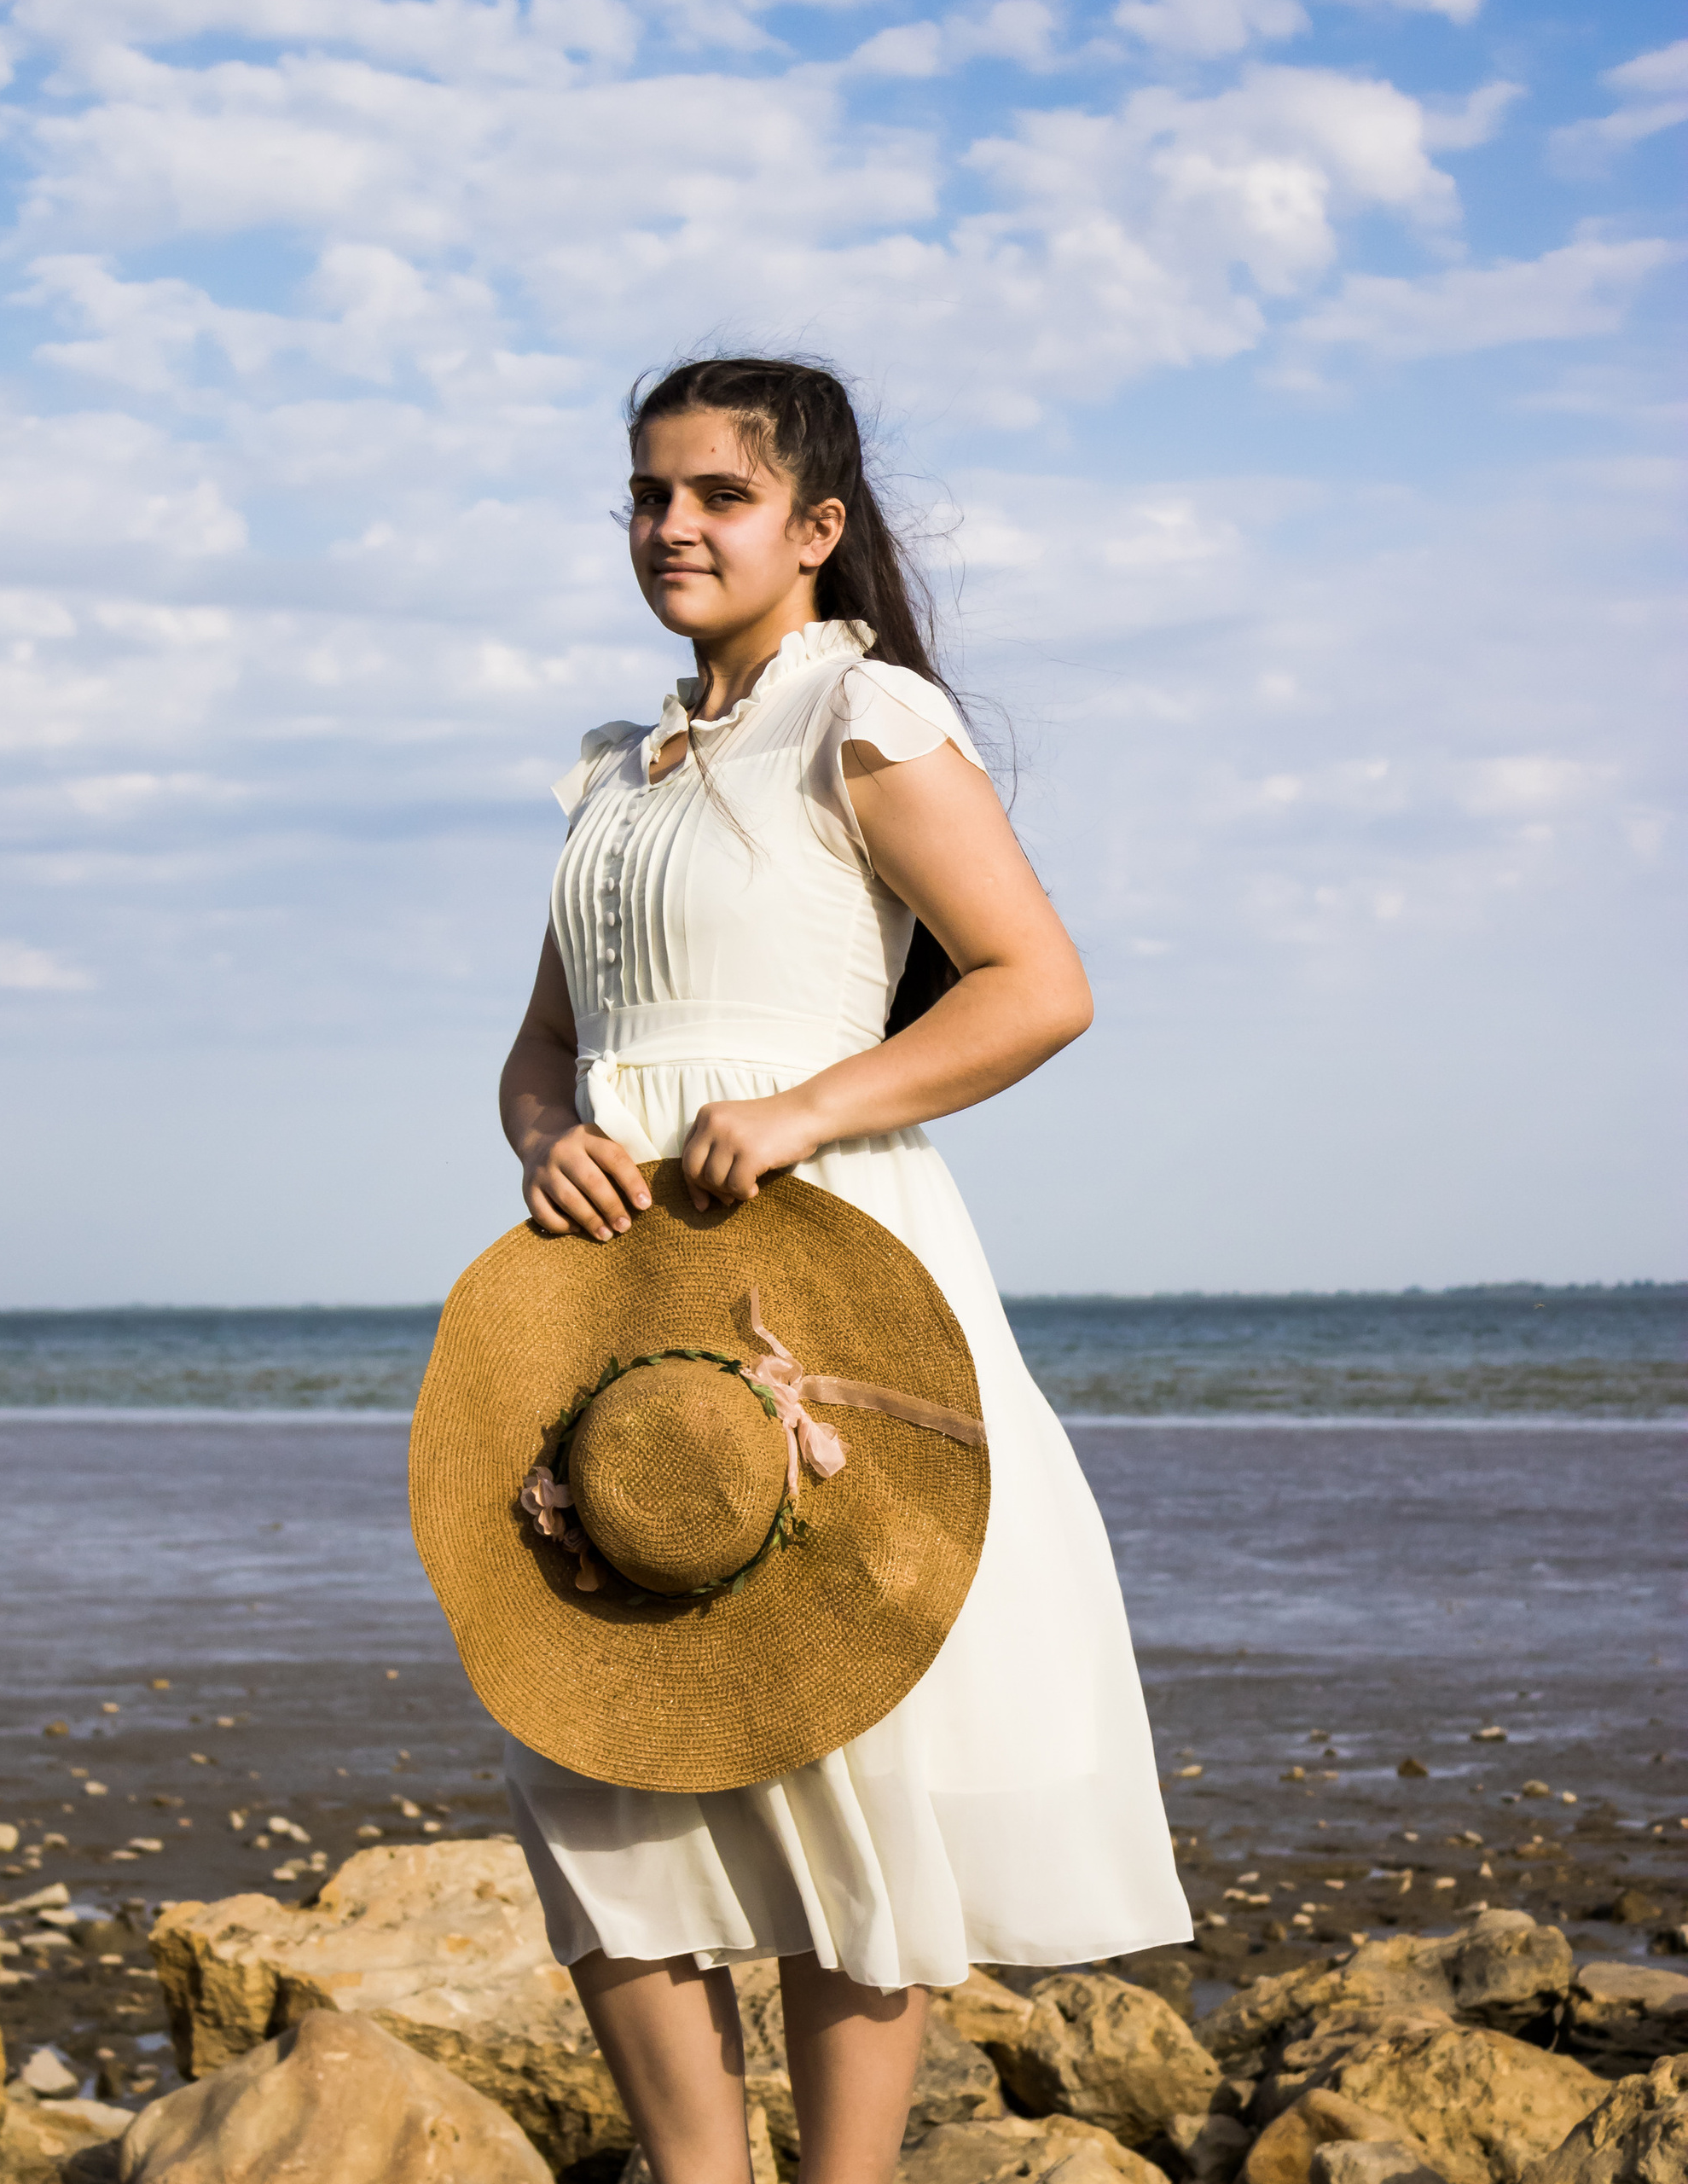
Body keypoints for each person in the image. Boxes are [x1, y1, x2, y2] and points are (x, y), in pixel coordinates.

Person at [490, 357, 1192, 2184]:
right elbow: (538, 1051)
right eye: (646, 496)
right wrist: (541, 1133)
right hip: (610, 1302)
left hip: (816, 1272)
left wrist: (806, 1102)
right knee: (590, 1745)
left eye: (714, 497)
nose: (669, 529)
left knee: (824, 1758)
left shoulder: (855, 711)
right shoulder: (608, 767)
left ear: (810, 528)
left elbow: (1036, 982)